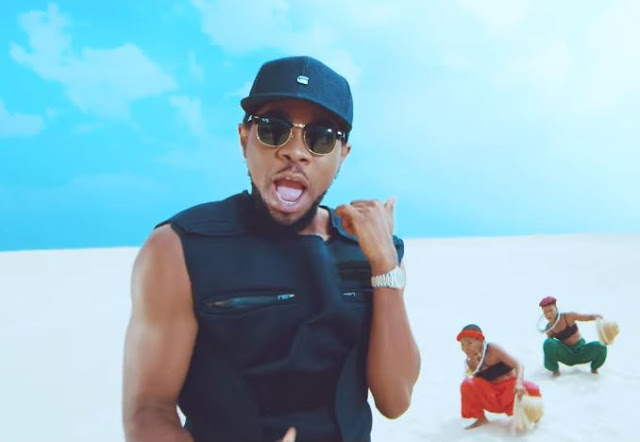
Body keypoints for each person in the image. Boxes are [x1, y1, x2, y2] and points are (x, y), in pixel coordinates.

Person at [122, 55, 421, 442]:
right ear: (244, 137)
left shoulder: (369, 249)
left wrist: (384, 266)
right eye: (274, 130)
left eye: (320, 137)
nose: (295, 152)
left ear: (342, 155)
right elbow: (148, 410)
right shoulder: (180, 247)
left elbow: (395, 400)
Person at [457, 324, 542, 430]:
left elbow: (518, 364)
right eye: (463, 344)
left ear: (480, 340)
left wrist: (519, 383)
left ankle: (532, 416)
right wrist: (473, 360)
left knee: (532, 389)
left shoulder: (493, 349)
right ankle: (481, 419)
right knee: (467, 384)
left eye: (469, 343)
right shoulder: (470, 361)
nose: (466, 348)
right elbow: (476, 386)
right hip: (492, 396)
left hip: (509, 391)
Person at [538, 296, 607, 377]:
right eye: (545, 312)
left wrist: (595, 317)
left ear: (556, 308)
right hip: (567, 354)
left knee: (601, 346)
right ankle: (555, 370)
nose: (548, 314)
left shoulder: (569, 316)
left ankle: (594, 368)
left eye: (550, 310)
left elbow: (585, 317)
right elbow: (550, 348)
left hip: (581, 351)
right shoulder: (549, 328)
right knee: (548, 343)